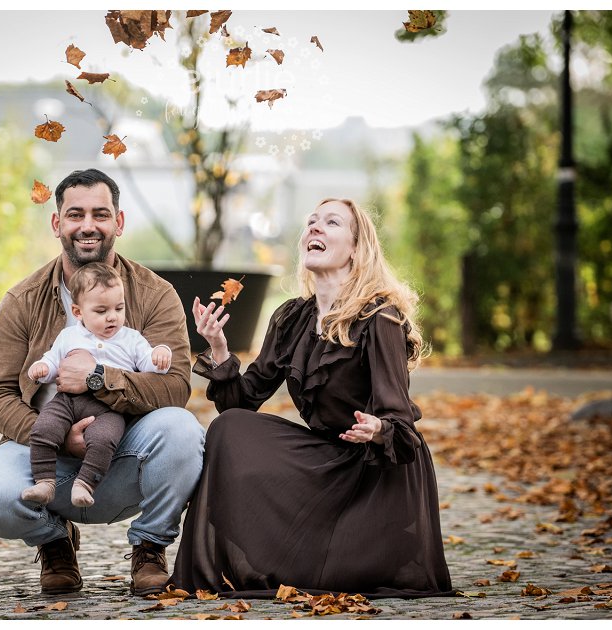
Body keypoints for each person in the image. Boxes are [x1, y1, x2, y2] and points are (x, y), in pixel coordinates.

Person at [169, 198, 454, 598]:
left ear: (356, 247)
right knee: (229, 427)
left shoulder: (381, 317)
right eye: (311, 222)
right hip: (327, 456)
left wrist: (376, 429)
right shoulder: (292, 318)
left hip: (375, 467)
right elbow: (241, 402)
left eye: (331, 223)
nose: (315, 228)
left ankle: (344, 548)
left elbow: (401, 428)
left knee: (334, 576)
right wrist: (218, 348)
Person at [0, 168, 204, 597]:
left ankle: (150, 547)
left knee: (182, 429)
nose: (88, 225)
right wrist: (58, 437)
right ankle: (55, 542)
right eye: (75, 214)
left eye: (100, 213)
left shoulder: (155, 295)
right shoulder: (22, 300)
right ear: (58, 223)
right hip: (47, 455)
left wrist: (98, 378)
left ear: (119, 222)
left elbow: (175, 388)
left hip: (126, 449)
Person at [21, 262, 173, 508]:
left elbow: (150, 365)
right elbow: (53, 362)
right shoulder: (69, 336)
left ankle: (85, 484)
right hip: (66, 401)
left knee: (104, 439)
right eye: (101, 311)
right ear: (78, 312)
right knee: (44, 428)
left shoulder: (131, 339)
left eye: (119, 308)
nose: (112, 316)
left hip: (109, 408)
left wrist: (160, 355)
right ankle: (44, 481)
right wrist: (43, 369)